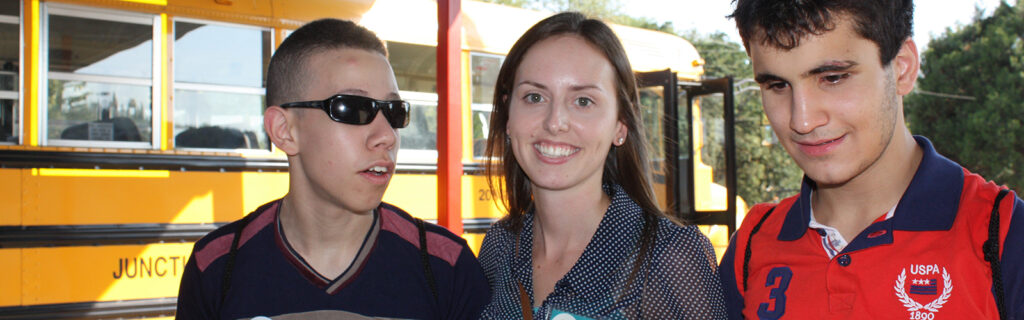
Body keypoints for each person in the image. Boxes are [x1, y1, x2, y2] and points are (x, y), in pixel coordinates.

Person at [719, 0, 1024, 319]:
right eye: (778, 85)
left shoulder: (1003, 236)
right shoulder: (753, 245)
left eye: (833, 78)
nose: (802, 120)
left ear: (902, 68)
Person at [175, 18, 490, 319]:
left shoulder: (445, 267)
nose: (386, 136)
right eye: (352, 108)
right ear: (284, 130)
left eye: (394, 112)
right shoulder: (217, 267)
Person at [477, 12, 727, 319]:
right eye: (534, 97)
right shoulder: (500, 248)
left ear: (620, 125)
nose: (555, 123)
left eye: (583, 101)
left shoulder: (669, 256)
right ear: (508, 116)